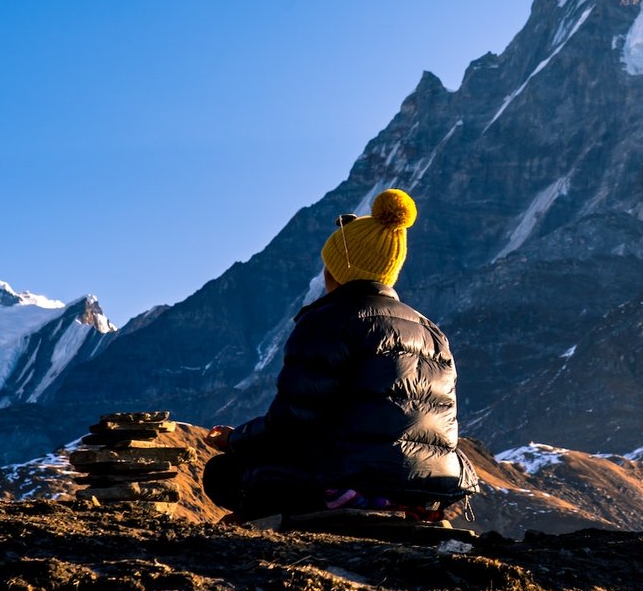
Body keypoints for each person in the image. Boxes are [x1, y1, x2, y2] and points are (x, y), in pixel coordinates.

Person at [202, 188, 479, 521]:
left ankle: (324, 509)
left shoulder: (329, 321)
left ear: (336, 270)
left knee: (222, 474)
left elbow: (294, 421)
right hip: (429, 486)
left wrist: (237, 440)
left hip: (351, 478)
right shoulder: (433, 332)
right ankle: (395, 508)